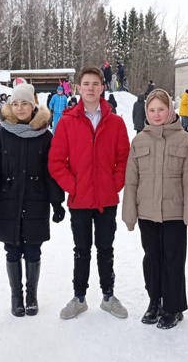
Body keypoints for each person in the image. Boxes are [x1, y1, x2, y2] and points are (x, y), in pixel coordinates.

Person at [49, 65, 130, 320]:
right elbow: (56, 161)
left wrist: (113, 184)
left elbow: (124, 159)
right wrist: (73, 186)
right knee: (81, 249)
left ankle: (108, 296)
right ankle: (79, 297)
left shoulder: (115, 122)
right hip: (80, 199)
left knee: (106, 248)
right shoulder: (67, 122)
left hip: (106, 198)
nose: (91, 88)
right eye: (86, 84)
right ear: (78, 88)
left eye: (96, 84)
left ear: (102, 87)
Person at [0, 84, 65, 317]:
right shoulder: (1, 136)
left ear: (33, 106)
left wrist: (56, 202)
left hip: (35, 200)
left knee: (33, 249)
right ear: (10, 106)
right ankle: (16, 296)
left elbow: (52, 172)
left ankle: (31, 295)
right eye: (15, 103)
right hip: (7, 200)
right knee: (12, 250)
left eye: (25, 103)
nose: (20, 108)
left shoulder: (45, 137)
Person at [123, 90, 188, 328]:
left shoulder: (184, 140)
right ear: (146, 112)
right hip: (147, 212)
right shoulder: (139, 141)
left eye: (161, 109)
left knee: (173, 261)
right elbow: (131, 180)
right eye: (152, 110)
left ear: (171, 110)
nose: (157, 115)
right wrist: (129, 213)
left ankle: (173, 307)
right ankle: (155, 301)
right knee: (152, 259)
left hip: (174, 213)